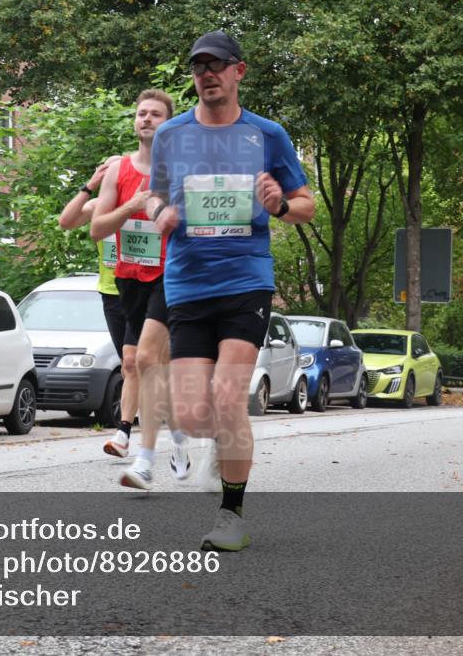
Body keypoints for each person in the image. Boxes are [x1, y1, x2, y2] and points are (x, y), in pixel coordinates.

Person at [148, 31, 314, 551]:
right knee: (195, 413)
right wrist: (161, 214)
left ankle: (231, 515)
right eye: (198, 67)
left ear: (238, 71)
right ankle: (225, 436)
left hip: (246, 280)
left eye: (216, 65)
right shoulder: (172, 135)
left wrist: (280, 206)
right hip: (187, 284)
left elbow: (305, 201)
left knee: (227, 396)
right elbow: (153, 197)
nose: (206, 74)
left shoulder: (267, 134)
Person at [90, 89, 191, 489]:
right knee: (146, 366)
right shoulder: (118, 171)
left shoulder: (183, 168)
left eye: (155, 114)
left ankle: (142, 459)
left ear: (168, 124)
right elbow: (98, 228)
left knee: (145, 358)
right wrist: (131, 207)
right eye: (140, 113)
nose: (146, 119)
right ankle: (179, 438)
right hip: (129, 277)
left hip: (173, 275)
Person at [58, 156, 140, 456]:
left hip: (143, 288)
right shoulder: (98, 207)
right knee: (132, 363)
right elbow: (65, 221)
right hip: (111, 292)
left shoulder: (140, 202)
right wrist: (89, 186)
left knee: (132, 362)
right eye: (107, 175)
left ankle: (124, 431)